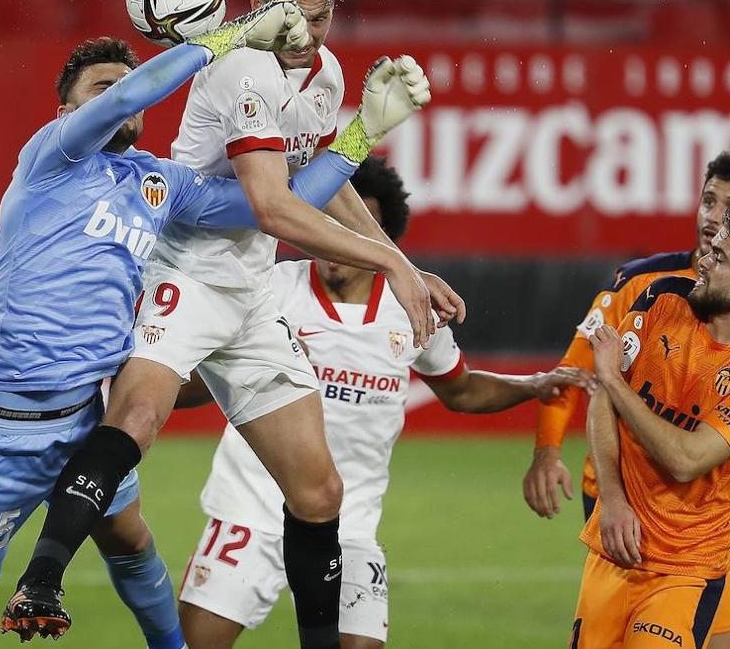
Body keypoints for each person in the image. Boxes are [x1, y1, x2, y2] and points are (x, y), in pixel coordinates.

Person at [0, 2, 437, 649]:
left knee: (132, 540)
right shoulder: (49, 160)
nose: (118, 97)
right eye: (99, 89)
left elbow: (267, 206)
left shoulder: (159, 184)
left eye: (124, 87)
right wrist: (225, 38)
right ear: (68, 112)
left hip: (84, 420)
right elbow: (130, 96)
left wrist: (360, 135)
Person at [5, 0, 461, 649]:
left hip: (250, 292)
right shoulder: (241, 68)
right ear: (256, 3)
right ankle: (41, 580)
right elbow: (274, 206)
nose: (307, 34)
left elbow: (322, 185)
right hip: (187, 269)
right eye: (293, 13)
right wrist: (395, 264)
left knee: (319, 492)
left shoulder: (328, 75)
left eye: (320, 16)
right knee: (138, 421)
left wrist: (384, 234)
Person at [175, 157, 591, 649]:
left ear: (380, 240)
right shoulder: (272, 289)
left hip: (351, 525)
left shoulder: (409, 307)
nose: (333, 239)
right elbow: (183, 389)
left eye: (347, 227)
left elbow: (460, 389)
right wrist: (265, 364)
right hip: (252, 512)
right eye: (324, 222)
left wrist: (533, 385)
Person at [523, 152, 730, 523]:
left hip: (708, 512)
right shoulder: (641, 282)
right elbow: (576, 371)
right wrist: (547, 451)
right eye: (709, 201)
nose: (712, 217)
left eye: (727, 208)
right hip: (621, 495)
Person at [572, 221, 730, 649]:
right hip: (614, 549)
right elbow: (602, 397)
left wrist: (614, 380)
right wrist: (613, 500)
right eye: (712, 248)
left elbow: (686, 460)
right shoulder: (664, 297)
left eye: (720, 258)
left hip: (685, 569)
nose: (704, 260)